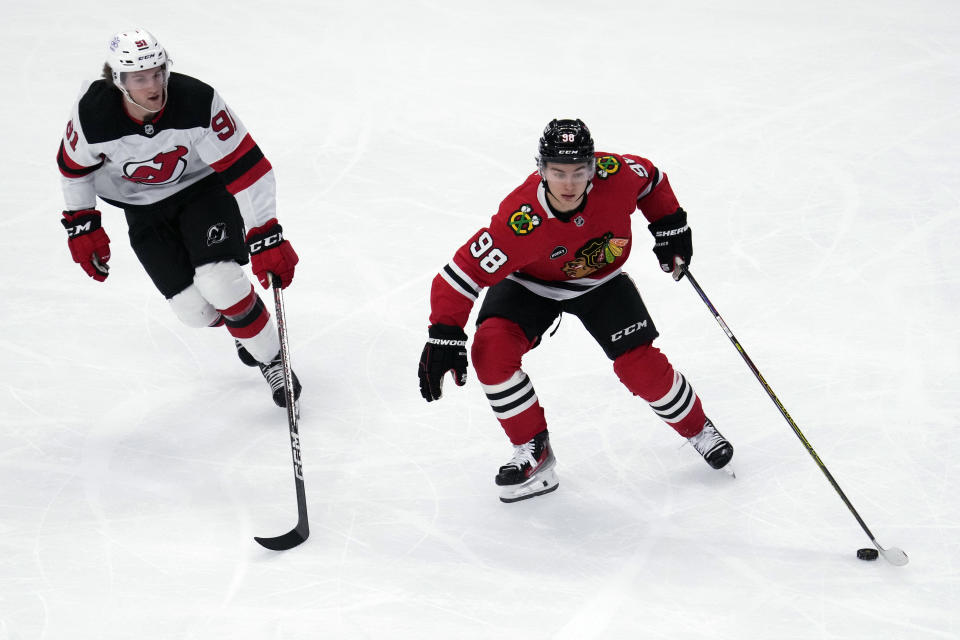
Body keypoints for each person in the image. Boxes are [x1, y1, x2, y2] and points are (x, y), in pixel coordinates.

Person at [418, 118, 733, 503]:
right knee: (491, 352)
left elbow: (651, 179)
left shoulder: (617, 174)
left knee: (641, 367)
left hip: (600, 283)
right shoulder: (519, 222)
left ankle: (698, 428)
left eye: (579, 172)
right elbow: (463, 272)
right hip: (529, 285)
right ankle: (535, 451)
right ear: (541, 169)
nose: (568, 184)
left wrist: (669, 225)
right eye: (557, 172)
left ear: (594, 168)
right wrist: (444, 333)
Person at [57, 28, 301, 408]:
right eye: (140, 78)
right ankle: (243, 324)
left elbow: (248, 167)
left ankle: (272, 360)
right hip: (142, 209)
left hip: (202, 191)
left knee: (220, 282)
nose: (154, 86)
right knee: (194, 311)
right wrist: (82, 224)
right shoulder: (93, 116)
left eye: (158, 72)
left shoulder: (196, 101)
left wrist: (266, 233)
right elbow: (73, 169)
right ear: (118, 81)